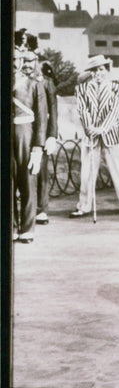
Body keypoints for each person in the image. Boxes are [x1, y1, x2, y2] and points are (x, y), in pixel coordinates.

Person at [70, 55, 119, 218]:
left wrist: (101, 128)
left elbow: (114, 111)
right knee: (87, 171)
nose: (98, 73)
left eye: (101, 69)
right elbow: (82, 110)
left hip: (110, 134)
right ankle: (83, 206)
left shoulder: (117, 88)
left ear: (107, 70)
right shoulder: (81, 89)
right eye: (94, 70)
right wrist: (91, 128)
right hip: (90, 134)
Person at [12, 49, 47, 243]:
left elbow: (42, 119)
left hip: (26, 133)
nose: (16, 63)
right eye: (13, 59)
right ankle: (10, 227)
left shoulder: (34, 85)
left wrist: (38, 147)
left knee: (27, 181)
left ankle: (26, 229)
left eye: (19, 59)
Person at [34, 52, 59, 225]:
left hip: (41, 132)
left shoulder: (46, 82)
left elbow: (53, 111)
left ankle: (41, 209)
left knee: (41, 171)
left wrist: (52, 135)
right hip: (22, 130)